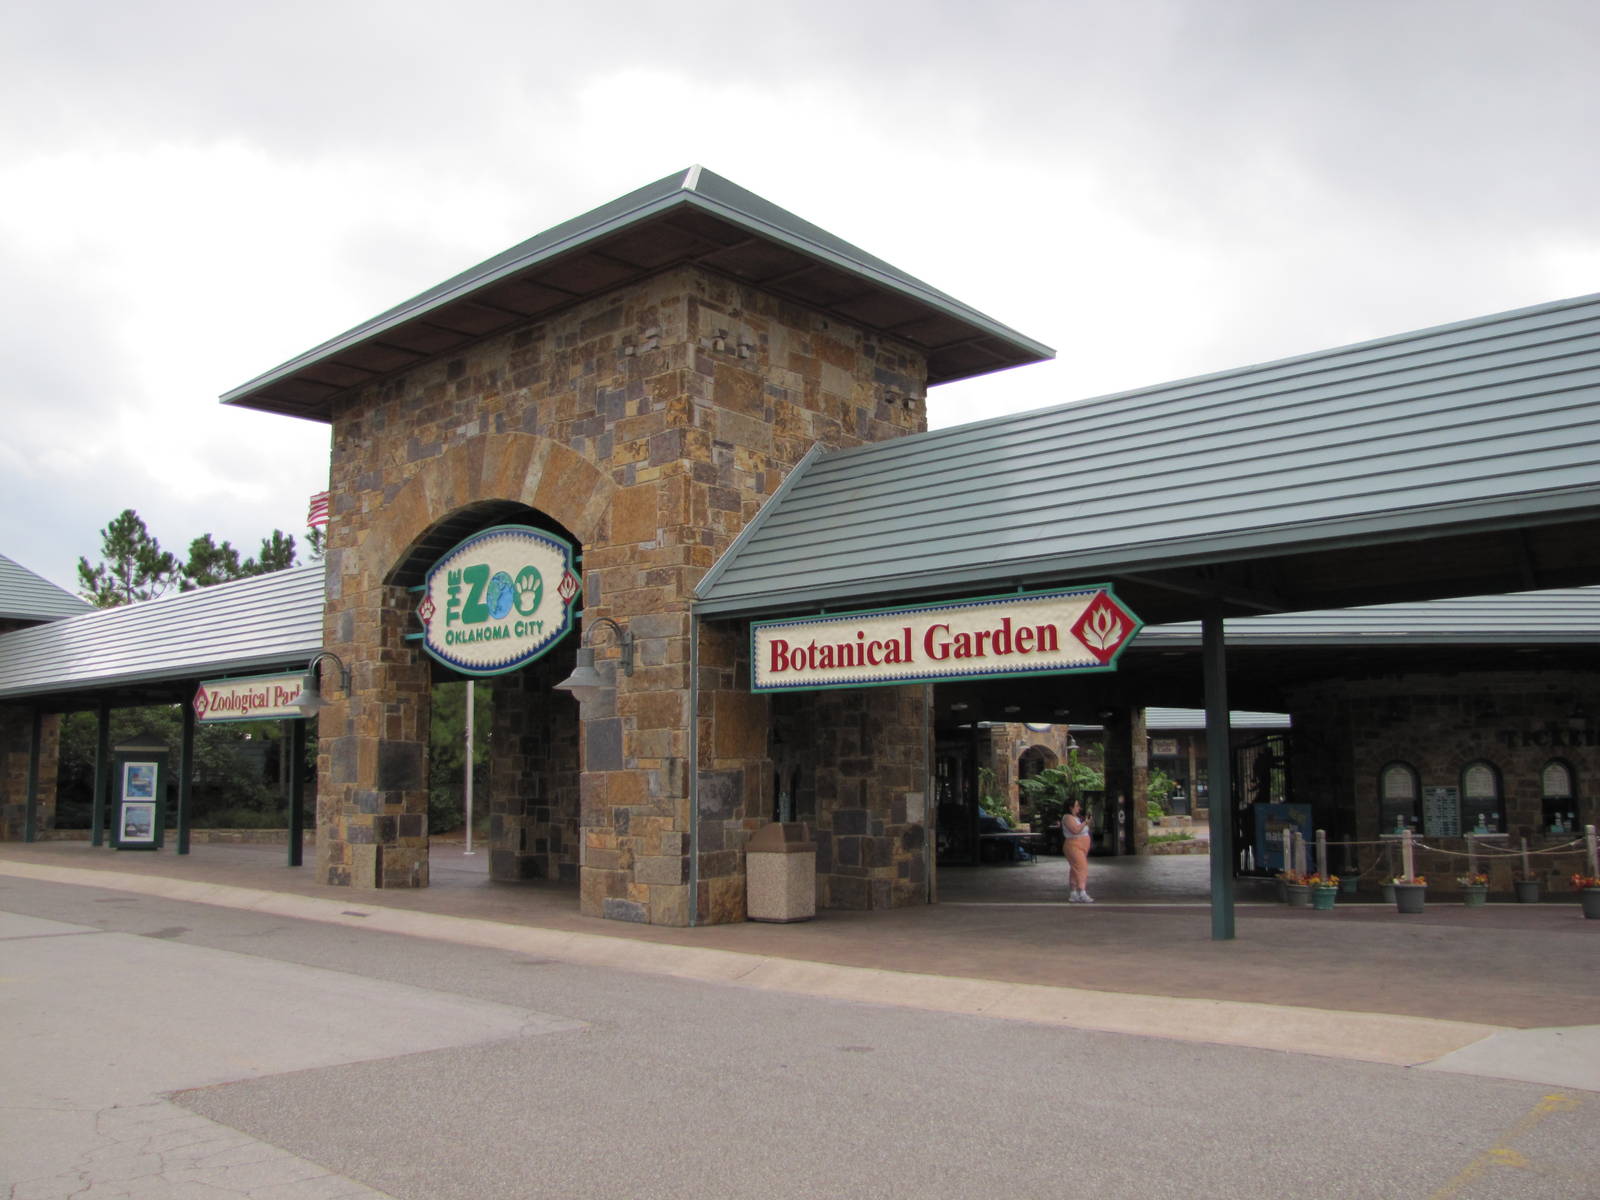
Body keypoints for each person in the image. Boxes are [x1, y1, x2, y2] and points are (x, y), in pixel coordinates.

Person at [1061, 797, 1093, 902]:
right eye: (1077, 806)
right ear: (1070, 808)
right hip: (1073, 845)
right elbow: (1075, 830)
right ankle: (1082, 891)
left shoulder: (1077, 817)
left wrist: (1087, 822)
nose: (1079, 808)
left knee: (1075, 869)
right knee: (1082, 867)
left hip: (1082, 846)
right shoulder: (1067, 817)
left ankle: (1074, 893)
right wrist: (1085, 822)